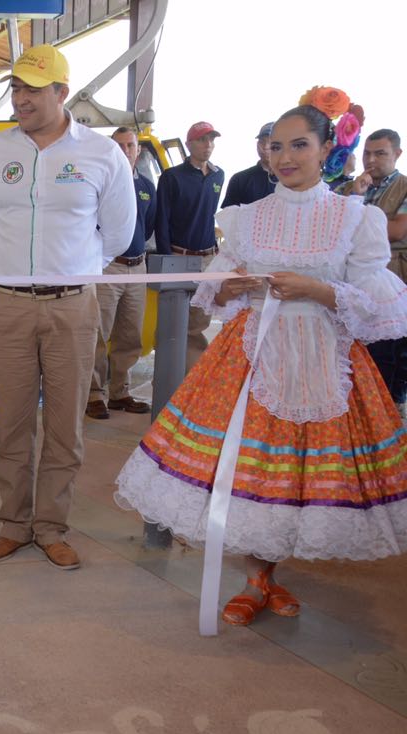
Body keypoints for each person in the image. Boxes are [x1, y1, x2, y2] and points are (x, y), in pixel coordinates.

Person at [115, 105, 407, 627]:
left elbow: (380, 300)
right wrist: (234, 286)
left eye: (299, 145)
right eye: (277, 145)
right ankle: (256, 578)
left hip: (325, 360)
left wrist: (317, 289)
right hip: (250, 359)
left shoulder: (355, 217)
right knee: (248, 470)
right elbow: (215, 288)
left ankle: (268, 575)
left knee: (300, 475)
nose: (286, 156)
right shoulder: (246, 216)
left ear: (326, 151)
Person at [0, 44, 135, 571]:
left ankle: (51, 527)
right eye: (15, 89)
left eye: (32, 90)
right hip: (10, 306)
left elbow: (119, 235)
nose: (20, 99)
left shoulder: (101, 154)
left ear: (62, 93)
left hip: (72, 308)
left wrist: (73, 269)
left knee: (65, 426)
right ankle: (13, 525)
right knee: (13, 424)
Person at [86, 127, 157, 419]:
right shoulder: (101, 183)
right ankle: (93, 394)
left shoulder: (147, 186)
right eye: (120, 145)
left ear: (138, 150)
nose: (126, 150)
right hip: (108, 267)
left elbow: (149, 224)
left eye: (131, 145)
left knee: (130, 334)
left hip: (136, 268)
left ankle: (120, 392)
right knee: (97, 334)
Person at [338, 128, 407, 404]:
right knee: (355, 358)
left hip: (394, 278)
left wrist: (354, 217)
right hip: (351, 286)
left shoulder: (404, 187)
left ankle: (392, 416)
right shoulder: (349, 188)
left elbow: (397, 231)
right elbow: (331, 230)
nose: (371, 159)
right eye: (367, 152)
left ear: (397, 154)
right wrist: (354, 196)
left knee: (389, 358)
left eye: (380, 153)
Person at [155, 121, 226, 369]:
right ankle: (169, 374)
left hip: (207, 258)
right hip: (178, 255)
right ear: (189, 145)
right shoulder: (172, 177)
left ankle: (191, 378)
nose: (208, 145)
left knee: (199, 321)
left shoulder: (219, 175)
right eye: (202, 140)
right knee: (173, 320)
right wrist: (167, 259)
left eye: (211, 140)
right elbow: (161, 219)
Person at [222, 123, 277, 208]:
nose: (266, 146)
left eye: (271, 142)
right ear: (257, 145)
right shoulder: (239, 179)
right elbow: (228, 217)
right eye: (262, 141)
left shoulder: (295, 179)